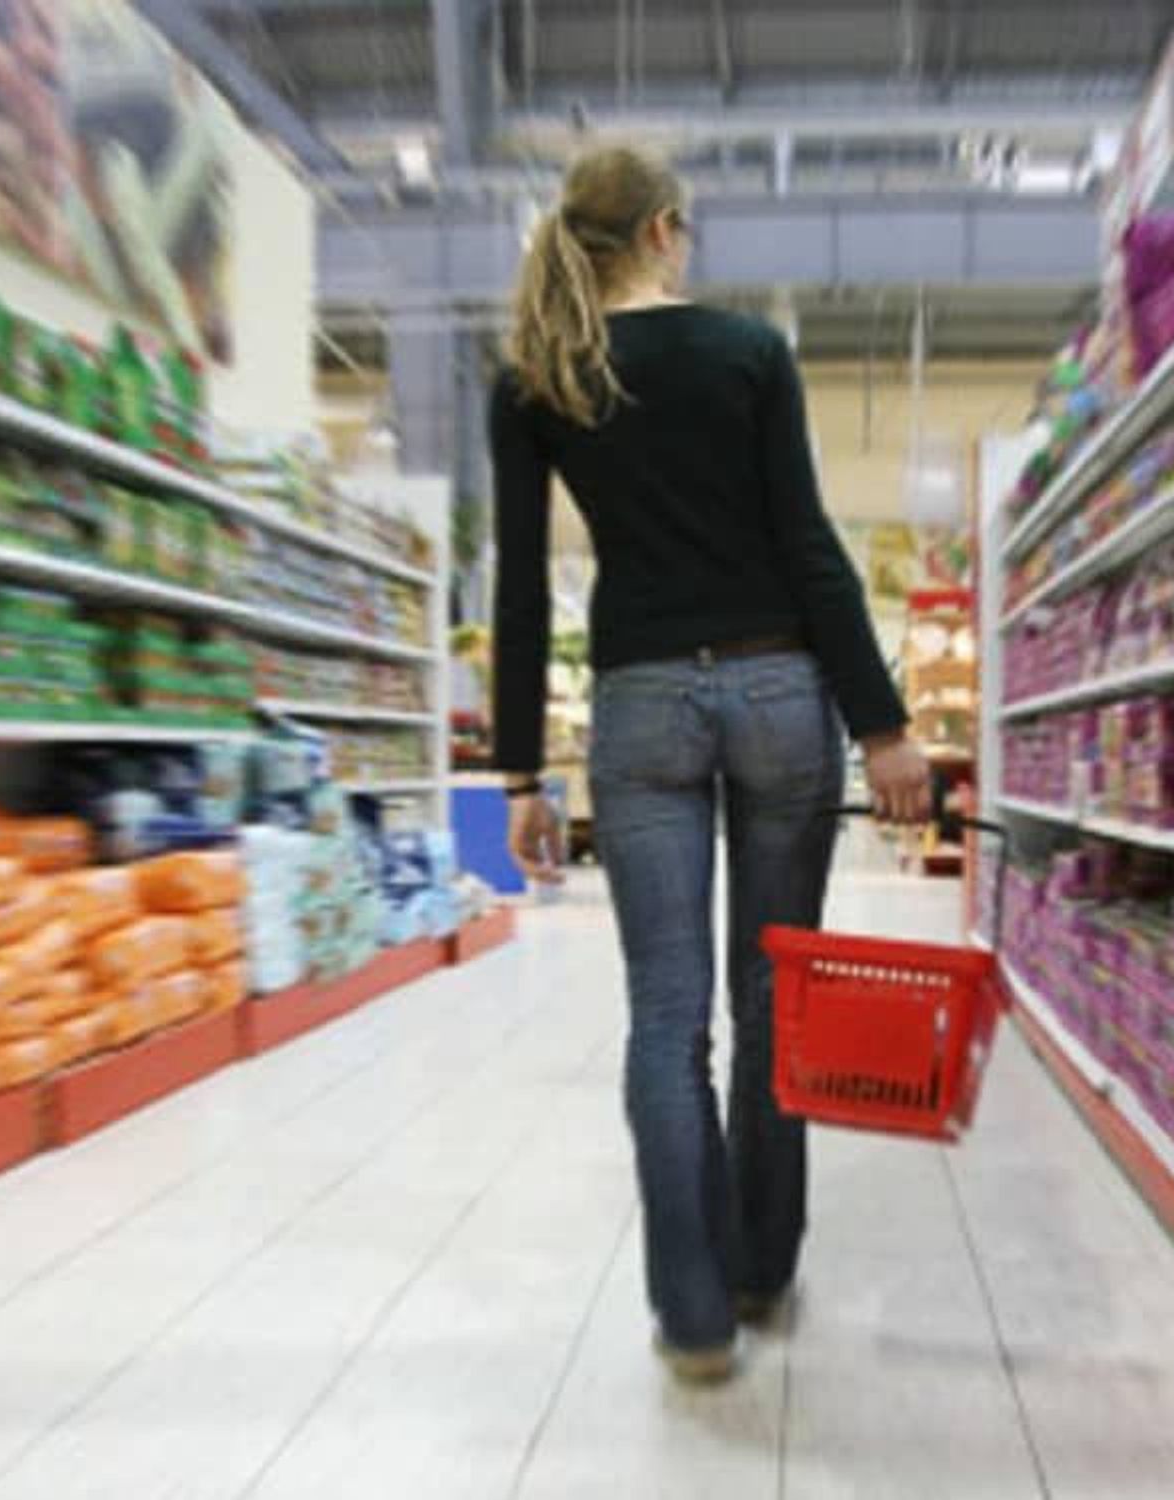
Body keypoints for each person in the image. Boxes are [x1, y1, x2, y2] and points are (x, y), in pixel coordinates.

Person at [488, 145, 932, 1384]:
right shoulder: (746, 354)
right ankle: (759, 1263)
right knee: (770, 998)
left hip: (636, 714)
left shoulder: (536, 377)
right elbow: (807, 545)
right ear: (666, 233)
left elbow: (518, 589)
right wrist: (882, 724)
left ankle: (691, 1313)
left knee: (665, 1018)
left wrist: (516, 775)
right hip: (783, 694)